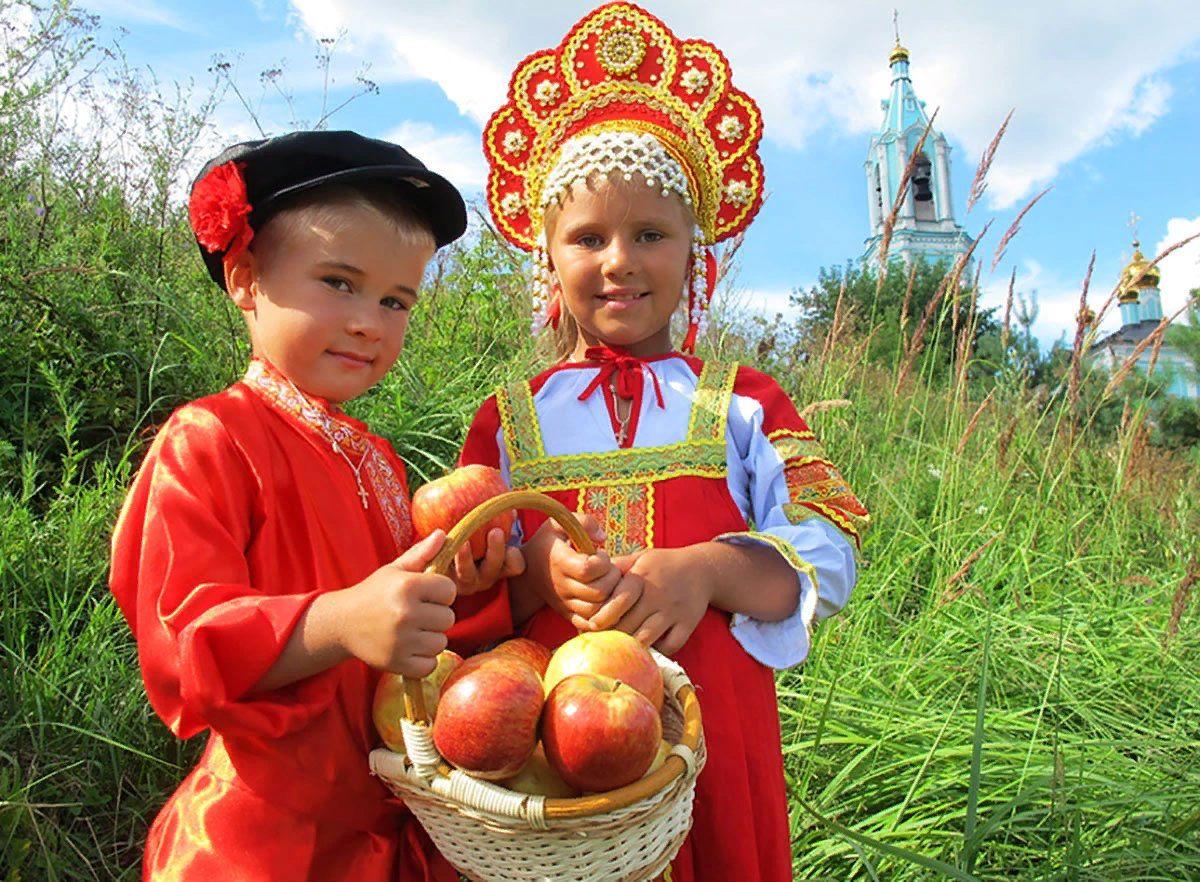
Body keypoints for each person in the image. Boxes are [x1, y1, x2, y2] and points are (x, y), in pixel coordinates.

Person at [458, 5, 870, 879]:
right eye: (588, 238)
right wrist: (530, 572)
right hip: (551, 766)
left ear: (695, 251)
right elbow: (459, 574)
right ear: (547, 255)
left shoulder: (743, 403)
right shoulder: (505, 419)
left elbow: (831, 546)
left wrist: (714, 570)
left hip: (717, 743)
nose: (620, 261)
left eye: (650, 234)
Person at [109, 130, 519, 881]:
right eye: (339, 282)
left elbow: (397, 631)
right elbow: (184, 642)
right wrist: (339, 621)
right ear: (244, 278)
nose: (371, 320)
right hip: (263, 838)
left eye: (397, 300)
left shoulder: (378, 458)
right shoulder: (211, 439)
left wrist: (464, 586)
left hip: (381, 827)